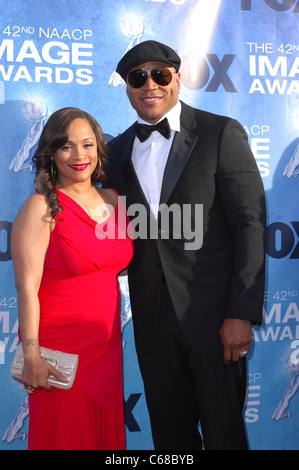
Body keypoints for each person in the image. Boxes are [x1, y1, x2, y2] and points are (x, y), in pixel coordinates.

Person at [106, 40, 266, 450]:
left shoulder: (219, 132)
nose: (149, 85)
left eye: (160, 74)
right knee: (170, 442)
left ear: (177, 79)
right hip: (152, 322)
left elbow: (249, 224)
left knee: (225, 437)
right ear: (126, 87)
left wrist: (240, 313)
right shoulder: (116, 152)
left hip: (215, 321)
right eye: (137, 77)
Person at [11, 107, 134, 450]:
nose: (79, 155)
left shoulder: (113, 199)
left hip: (106, 345)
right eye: (66, 146)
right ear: (51, 153)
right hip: (59, 351)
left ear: (99, 149)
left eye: (88, 144)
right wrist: (32, 355)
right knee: (65, 435)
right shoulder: (40, 207)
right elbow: (27, 289)